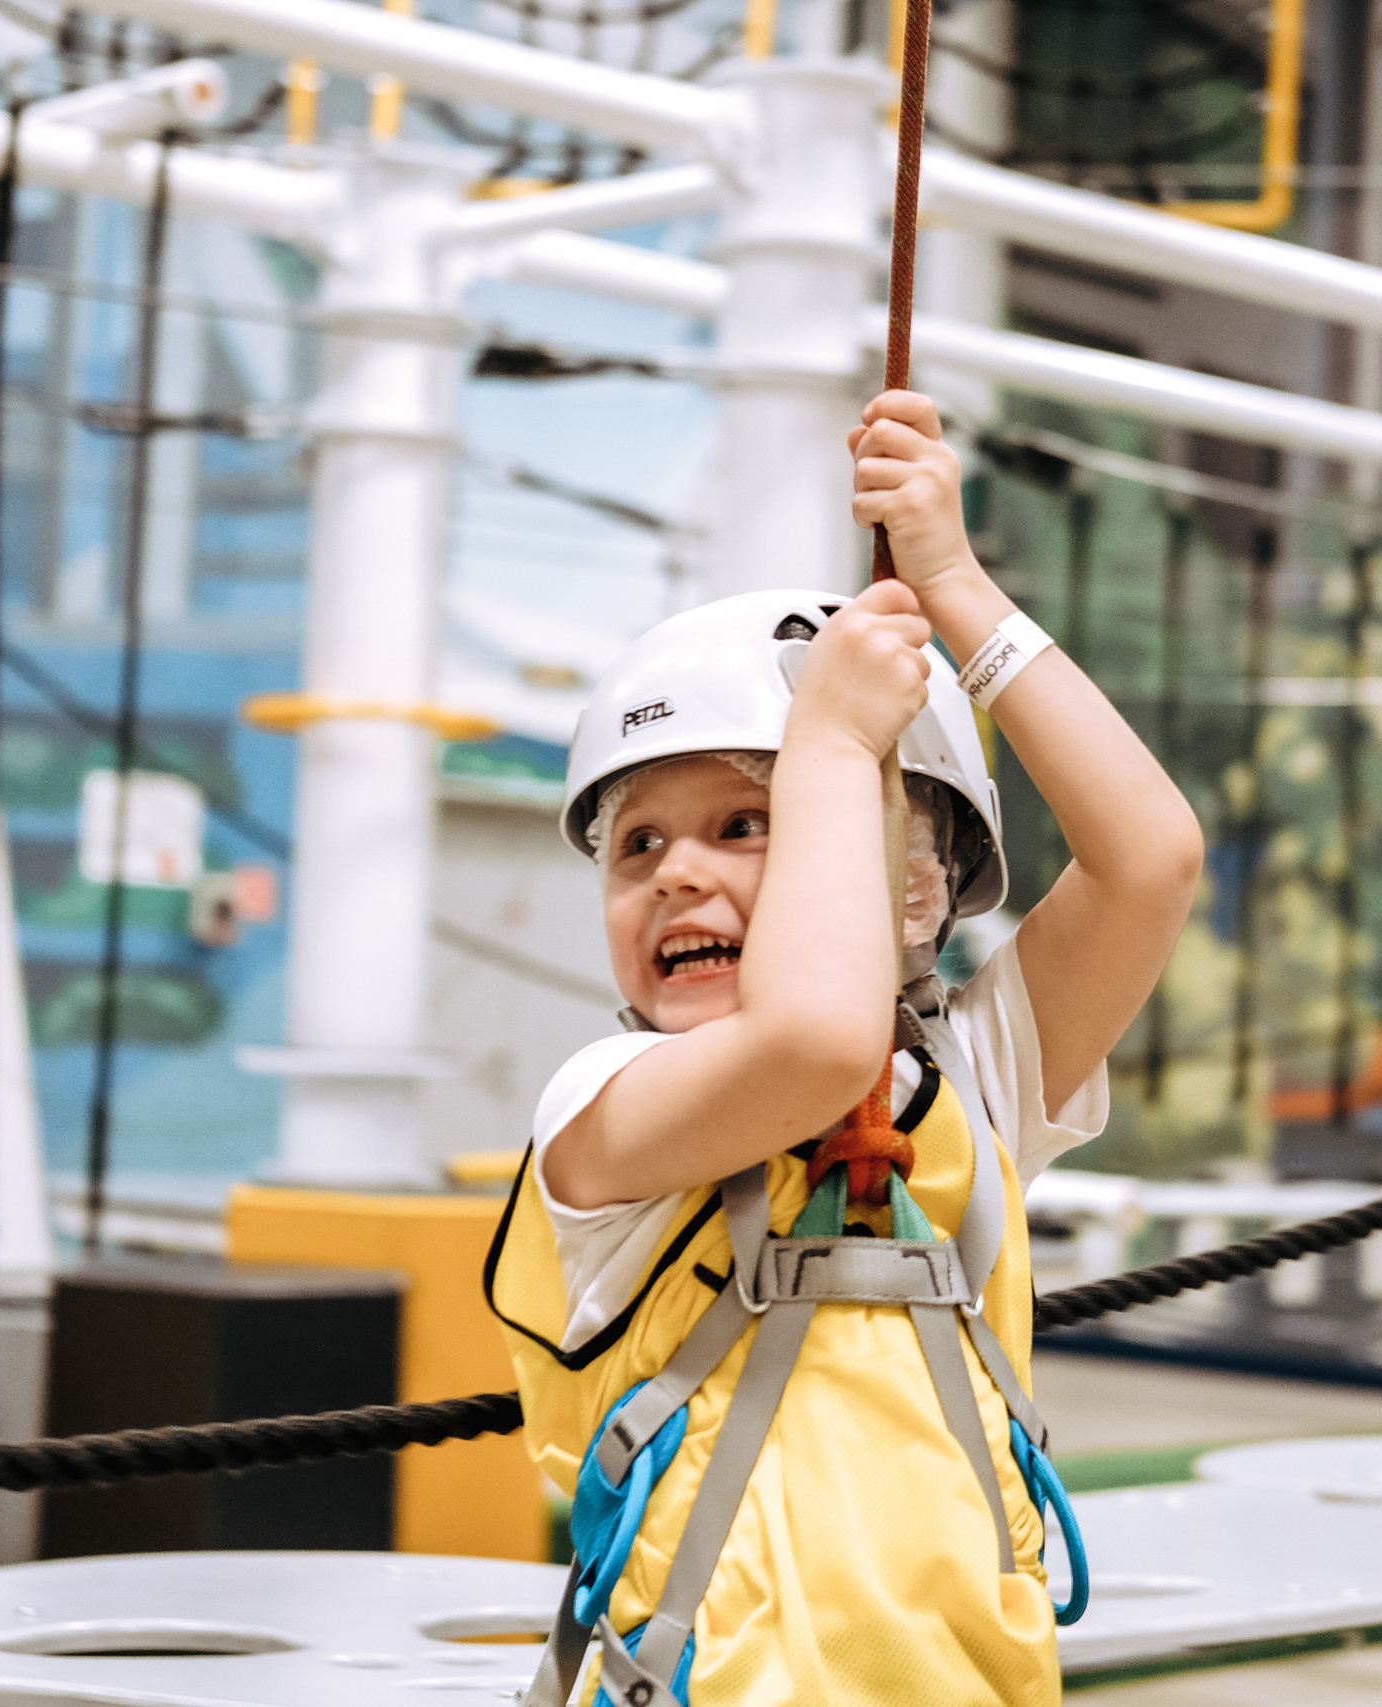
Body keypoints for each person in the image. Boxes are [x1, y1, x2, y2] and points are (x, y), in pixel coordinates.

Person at [486, 390, 1203, 1706]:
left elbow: (1151, 860)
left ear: (920, 892)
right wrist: (826, 742)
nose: (676, 877)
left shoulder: (967, 1087)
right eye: (637, 844)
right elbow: (813, 1046)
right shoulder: (604, 1106)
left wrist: (958, 589)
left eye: (749, 824)